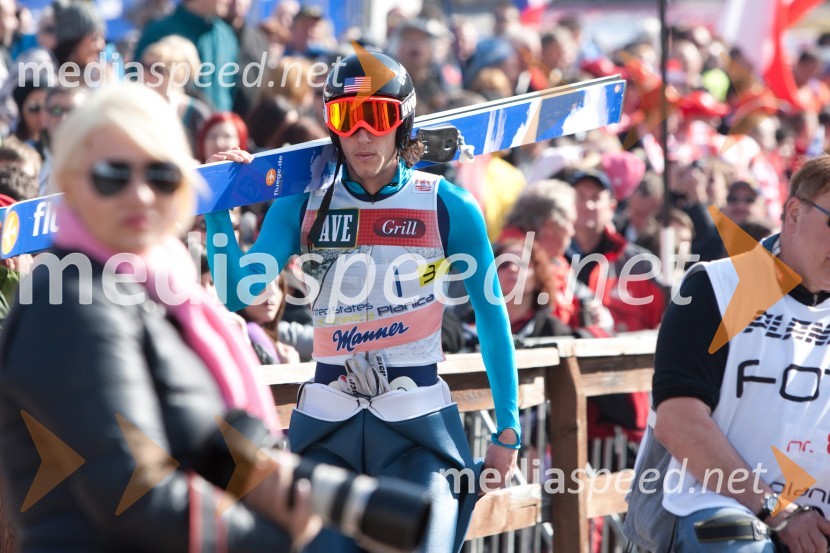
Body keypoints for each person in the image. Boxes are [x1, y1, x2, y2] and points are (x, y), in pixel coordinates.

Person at [205, 51, 520, 553]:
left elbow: (491, 314)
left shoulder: (448, 205)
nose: (362, 135)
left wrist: (509, 428)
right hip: (329, 428)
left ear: (404, 123)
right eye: (345, 118)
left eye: (378, 117)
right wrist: (219, 208)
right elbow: (236, 291)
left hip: (418, 430)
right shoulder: (303, 201)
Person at [0, 84, 320, 552]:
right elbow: (131, 491)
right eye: (112, 175)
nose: (142, 194)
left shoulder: (163, 288)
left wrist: (278, 476)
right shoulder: (69, 300)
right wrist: (279, 537)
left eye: (162, 175)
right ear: (69, 181)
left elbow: (194, 436)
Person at [625, 155, 830, 552]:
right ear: (793, 213)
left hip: (812, 517)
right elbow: (678, 421)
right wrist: (778, 511)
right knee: (736, 542)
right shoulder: (714, 287)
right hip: (709, 506)